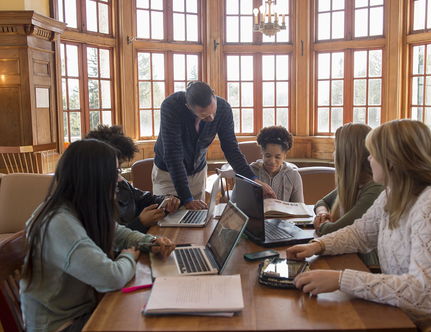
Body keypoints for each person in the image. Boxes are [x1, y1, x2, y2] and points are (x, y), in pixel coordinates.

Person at [287, 120, 431, 325]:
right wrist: (317, 246)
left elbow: (424, 293)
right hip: (406, 310)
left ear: (393, 160)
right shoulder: (393, 193)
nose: (368, 159)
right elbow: (360, 233)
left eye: (373, 154)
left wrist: (341, 280)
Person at [20, 139, 175, 332]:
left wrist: (150, 241)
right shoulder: (58, 223)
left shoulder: (78, 206)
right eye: (116, 172)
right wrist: (129, 254)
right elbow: (111, 278)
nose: (119, 180)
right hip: (61, 325)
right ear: (95, 177)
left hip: (84, 310)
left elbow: (119, 233)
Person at [153, 81, 275, 210]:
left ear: (214, 95)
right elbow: (173, 155)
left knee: (194, 219)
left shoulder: (223, 108)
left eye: (213, 112)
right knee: (167, 219)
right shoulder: (171, 106)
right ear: (189, 107)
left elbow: (231, 149)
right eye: (204, 115)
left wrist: (253, 180)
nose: (211, 118)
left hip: (197, 172)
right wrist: (187, 198)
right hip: (169, 174)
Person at [85, 125, 180, 233]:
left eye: (119, 168)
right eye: (115, 169)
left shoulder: (121, 185)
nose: (119, 177)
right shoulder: (88, 202)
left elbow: (145, 199)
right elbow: (109, 241)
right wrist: (140, 223)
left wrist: (167, 200)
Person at [313, 123, 383, 236]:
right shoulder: (353, 184)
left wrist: (322, 224)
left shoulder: (374, 190)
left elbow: (333, 231)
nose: (333, 154)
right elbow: (322, 202)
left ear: (345, 155)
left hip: (359, 253)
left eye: (335, 149)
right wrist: (322, 214)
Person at [249, 126, 303, 202]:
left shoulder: (293, 175)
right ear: (262, 153)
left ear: (284, 156)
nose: (272, 161)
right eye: (268, 156)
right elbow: (235, 202)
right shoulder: (250, 172)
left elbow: (299, 207)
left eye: (277, 157)